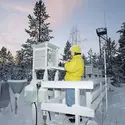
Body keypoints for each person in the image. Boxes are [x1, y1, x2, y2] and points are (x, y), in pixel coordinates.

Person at [64, 45, 84, 123]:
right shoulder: (77, 59)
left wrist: (66, 63)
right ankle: (71, 112)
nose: (70, 53)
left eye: (71, 51)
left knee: (72, 99)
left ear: (75, 51)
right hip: (72, 82)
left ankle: (77, 116)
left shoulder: (77, 60)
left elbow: (69, 68)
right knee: (71, 98)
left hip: (73, 82)